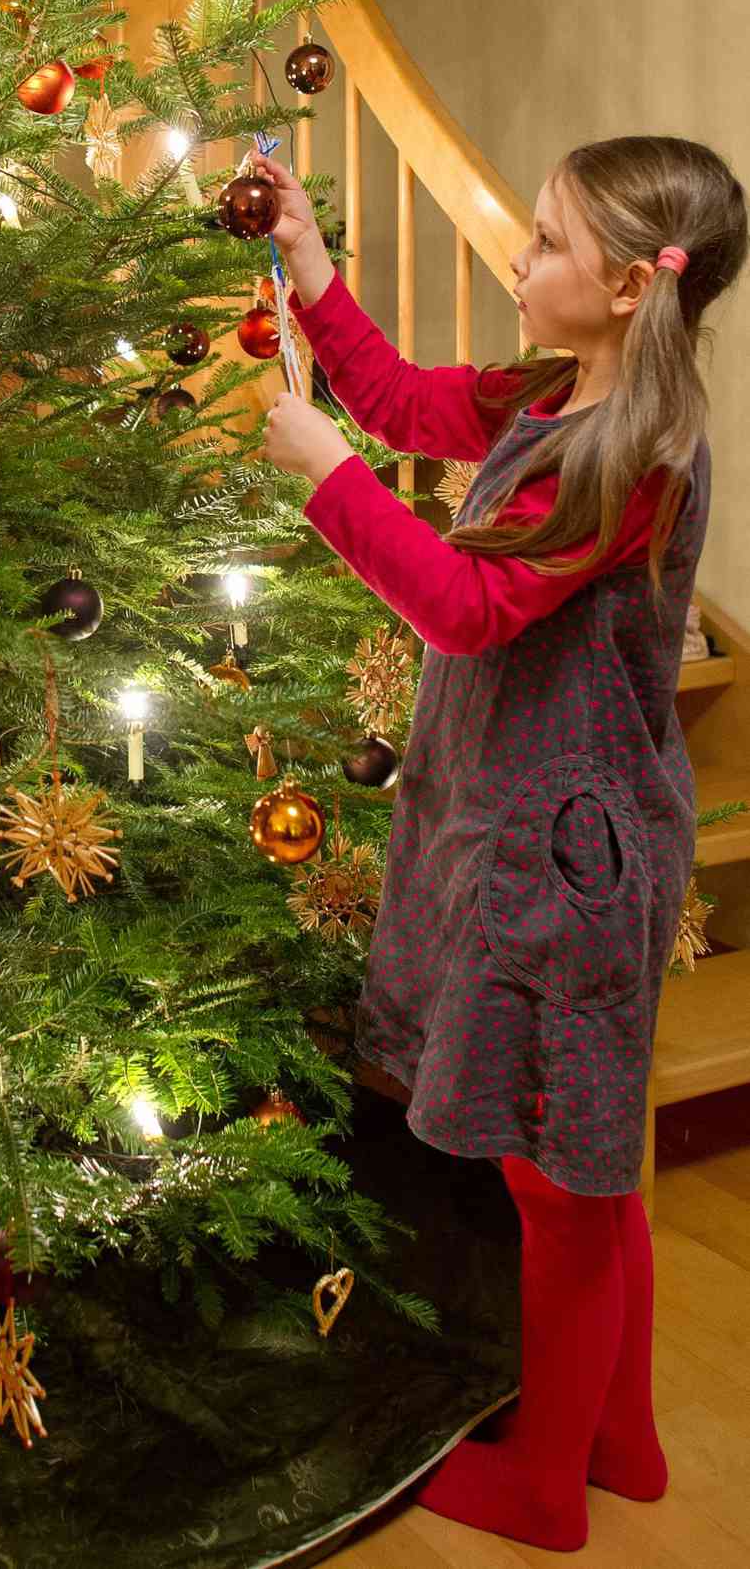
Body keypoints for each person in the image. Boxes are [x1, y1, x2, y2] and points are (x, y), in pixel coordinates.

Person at [255, 135, 747, 1552]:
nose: (517, 260)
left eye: (543, 243)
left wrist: (331, 478)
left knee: (563, 1184)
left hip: (567, 867)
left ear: (625, 289)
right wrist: (311, 268)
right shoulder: (556, 393)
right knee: (586, 1172)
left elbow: (466, 605)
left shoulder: (628, 457)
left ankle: (548, 1485)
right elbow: (411, 396)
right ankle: (626, 1442)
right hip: (529, 834)